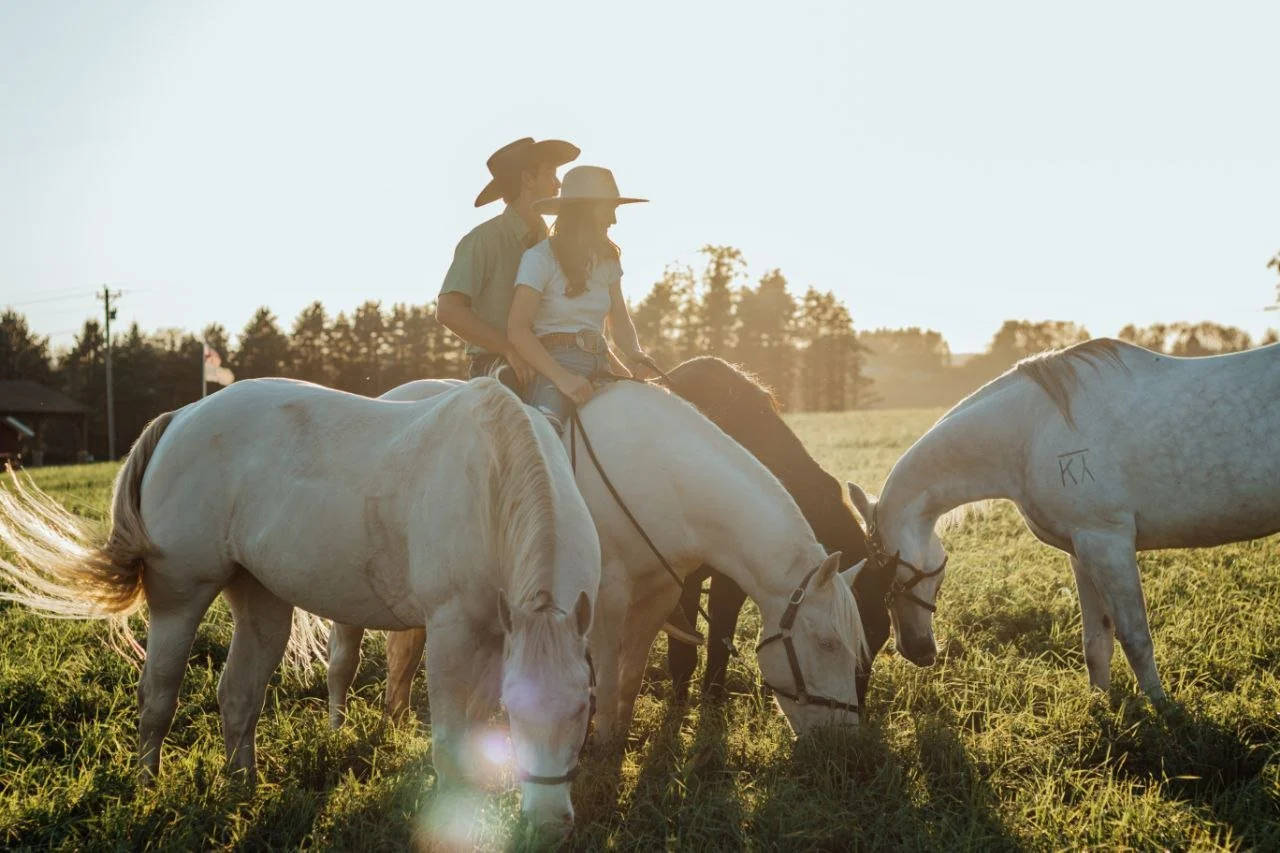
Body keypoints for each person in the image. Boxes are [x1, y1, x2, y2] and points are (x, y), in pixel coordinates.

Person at [507, 165, 658, 432]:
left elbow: (619, 319)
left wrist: (635, 353)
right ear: (586, 210)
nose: (614, 220)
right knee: (545, 436)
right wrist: (562, 379)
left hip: (602, 362)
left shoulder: (608, 260)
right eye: (609, 209)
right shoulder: (540, 258)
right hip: (554, 365)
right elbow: (517, 330)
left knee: (644, 426)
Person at [437, 137, 580, 386]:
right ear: (527, 179)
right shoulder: (483, 241)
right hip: (497, 365)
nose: (558, 184)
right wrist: (508, 347)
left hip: (549, 360)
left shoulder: (553, 245)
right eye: (550, 174)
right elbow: (448, 310)